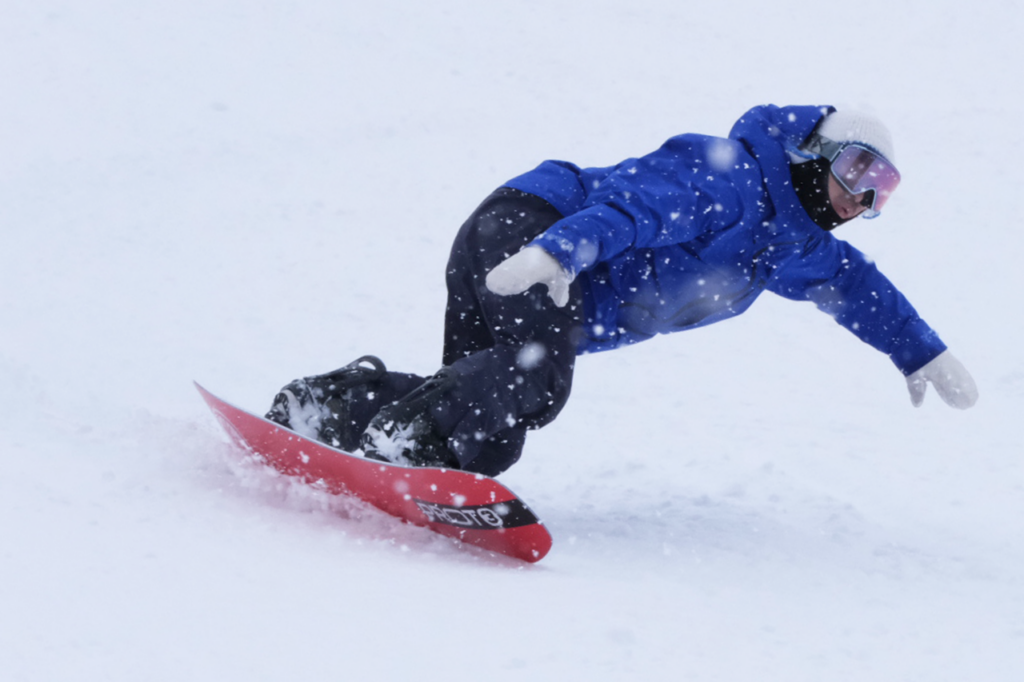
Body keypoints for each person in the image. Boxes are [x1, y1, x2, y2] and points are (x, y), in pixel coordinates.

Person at [266, 104, 978, 477]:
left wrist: (920, 352)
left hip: (538, 259)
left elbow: (856, 285)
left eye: (881, 189)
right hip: (533, 229)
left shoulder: (792, 246)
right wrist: (559, 251)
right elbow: (636, 208)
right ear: (812, 152)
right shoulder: (729, 177)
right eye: (858, 169)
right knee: (531, 383)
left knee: (486, 439)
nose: (862, 196)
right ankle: (403, 440)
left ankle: (329, 407)